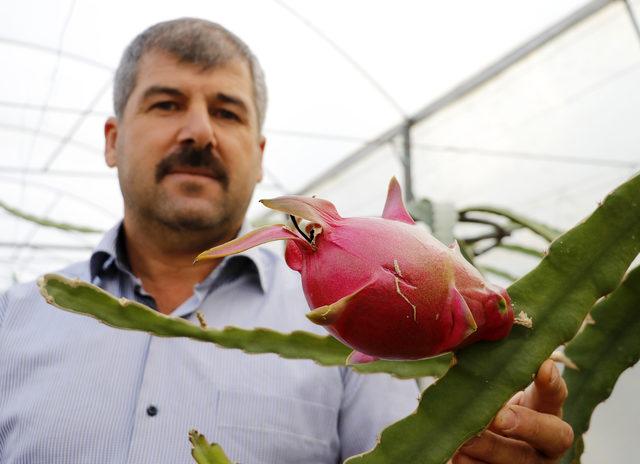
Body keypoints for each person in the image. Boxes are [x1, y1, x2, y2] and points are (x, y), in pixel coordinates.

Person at [0, 18, 573, 464]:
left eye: (227, 112)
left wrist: (473, 442)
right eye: (166, 103)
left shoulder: (350, 340)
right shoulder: (11, 322)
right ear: (112, 140)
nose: (199, 132)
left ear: (260, 158)